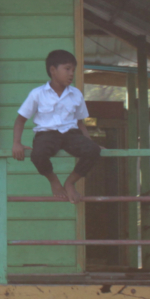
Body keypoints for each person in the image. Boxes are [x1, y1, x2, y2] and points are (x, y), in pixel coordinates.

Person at [11, 49, 101, 202]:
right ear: (53, 70)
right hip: (46, 134)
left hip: (71, 134)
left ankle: (70, 182)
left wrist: (90, 143)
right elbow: (20, 120)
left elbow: (80, 123)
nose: (71, 73)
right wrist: (16, 143)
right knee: (38, 154)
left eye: (73, 70)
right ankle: (54, 181)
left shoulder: (76, 94)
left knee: (93, 150)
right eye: (67, 69)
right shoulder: (37, 94)